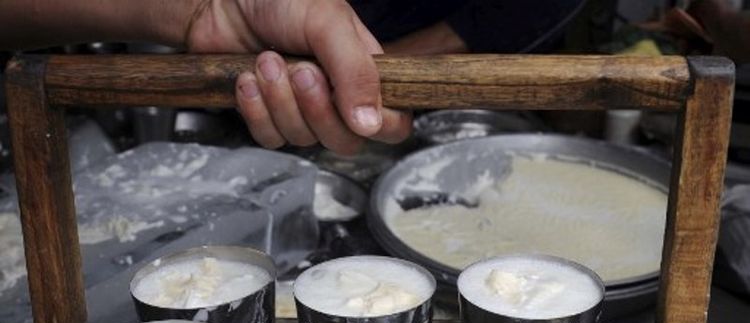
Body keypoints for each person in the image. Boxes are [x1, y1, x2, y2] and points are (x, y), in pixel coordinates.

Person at [1, 0, 584, 154]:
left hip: (378, 107)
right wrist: (206, 9)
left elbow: (492, 22)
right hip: (255, 73)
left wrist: (350, 75)